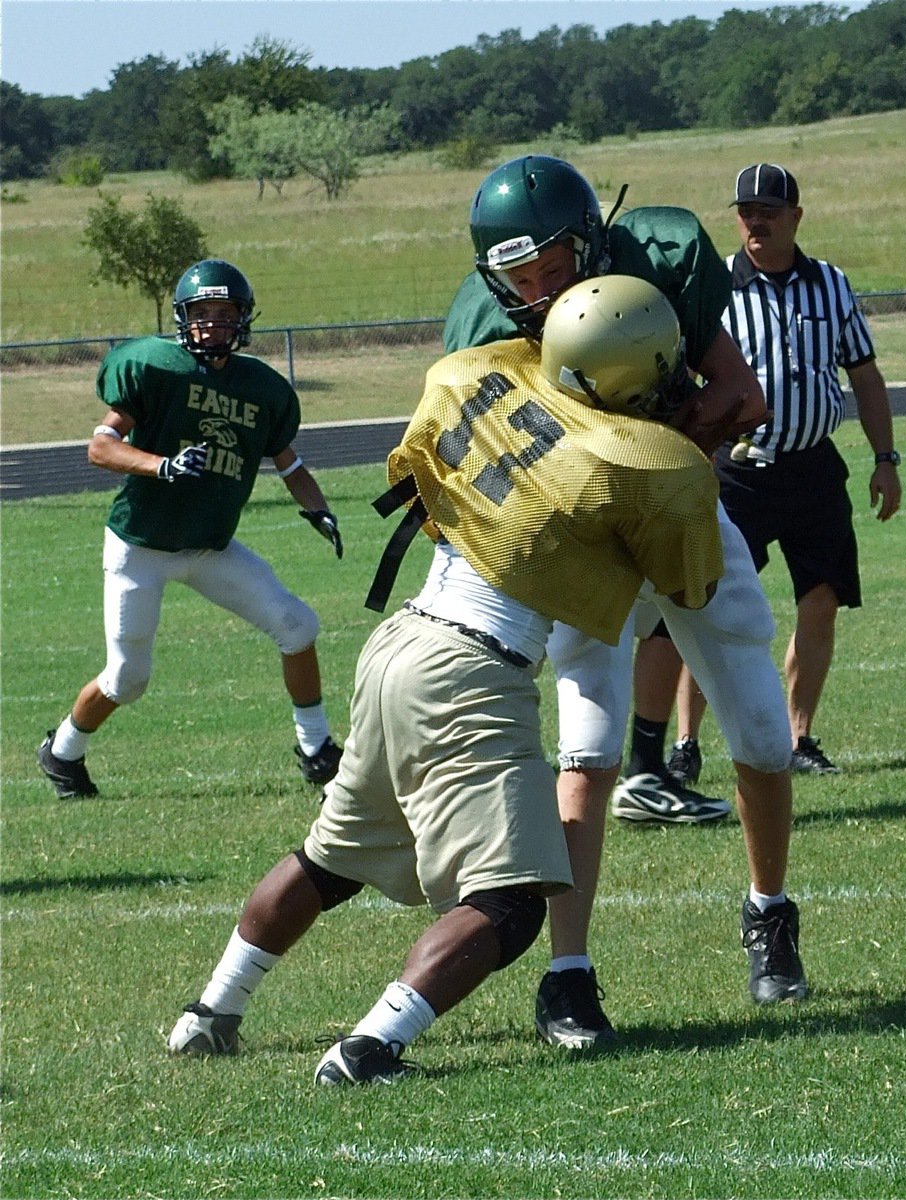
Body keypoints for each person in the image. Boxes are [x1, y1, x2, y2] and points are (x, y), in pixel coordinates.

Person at [167, 275, 726, 1083]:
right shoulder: (650, 463)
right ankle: (367, 1050)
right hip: (472, 669)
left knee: (330, 860)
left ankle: (210, 1011)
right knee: (510, 902)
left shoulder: (477, 373)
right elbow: (690, 588)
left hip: (399, 639)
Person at [445, 155, 809, 1049]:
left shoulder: (659, 256)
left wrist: (671, 446)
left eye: (552, 268)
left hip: (682, 508)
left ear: (592, 242)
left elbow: (742, 394)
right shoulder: (485, 323)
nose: (536, 291)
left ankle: (768, 910)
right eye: (517, 277)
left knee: (762, 733)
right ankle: (567, 974)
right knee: (589, 745)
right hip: (584, 541)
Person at [37, 258, 344, 799]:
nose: (214, 325)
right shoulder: (157, 367)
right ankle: (62, 753)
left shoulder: (262, 388)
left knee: (297, 625)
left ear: (243, 320)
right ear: (184, 319)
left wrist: (317, 508)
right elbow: (99, 446)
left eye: (226, 314)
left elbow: (288, 461)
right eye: (203, 313)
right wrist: (162, 465)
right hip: (142, 547)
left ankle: (317, 750)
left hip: (209, 547)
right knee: (128, 679)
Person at [672, 163, 902, 776]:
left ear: (796, 217)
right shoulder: (713, 284)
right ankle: (686, 744)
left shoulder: (830, 283)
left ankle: (800, 739)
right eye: (746, 212)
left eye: (769, 212)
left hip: (812, 467)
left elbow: (865, 376)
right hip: (736, 468)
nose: (755, 222)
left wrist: (885, 459)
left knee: (822, 597)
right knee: (704, 603)